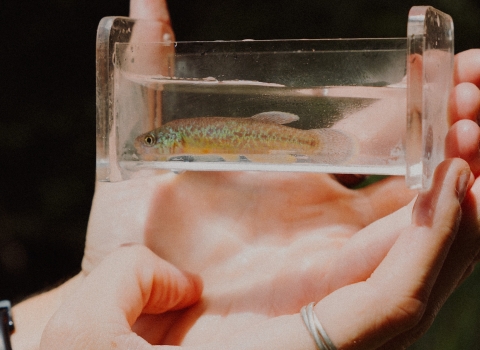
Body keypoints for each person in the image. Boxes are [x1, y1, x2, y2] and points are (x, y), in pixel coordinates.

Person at [10, 0, 480, 348]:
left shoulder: (183, 136)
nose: (147, 145)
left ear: (172, 143)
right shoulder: (175, 144)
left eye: (152, 142)